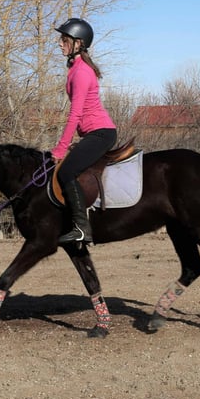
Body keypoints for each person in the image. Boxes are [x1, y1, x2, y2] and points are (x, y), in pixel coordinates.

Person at [52, 18, 118, 244]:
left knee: (65, 172)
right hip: (94, 133)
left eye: (64, 40)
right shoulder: (76, 68)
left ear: (78, 43)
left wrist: (61, 148)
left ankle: (82, 228)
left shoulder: (81, 72)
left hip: (101, 133)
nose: (60, 44)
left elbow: (76, 114)